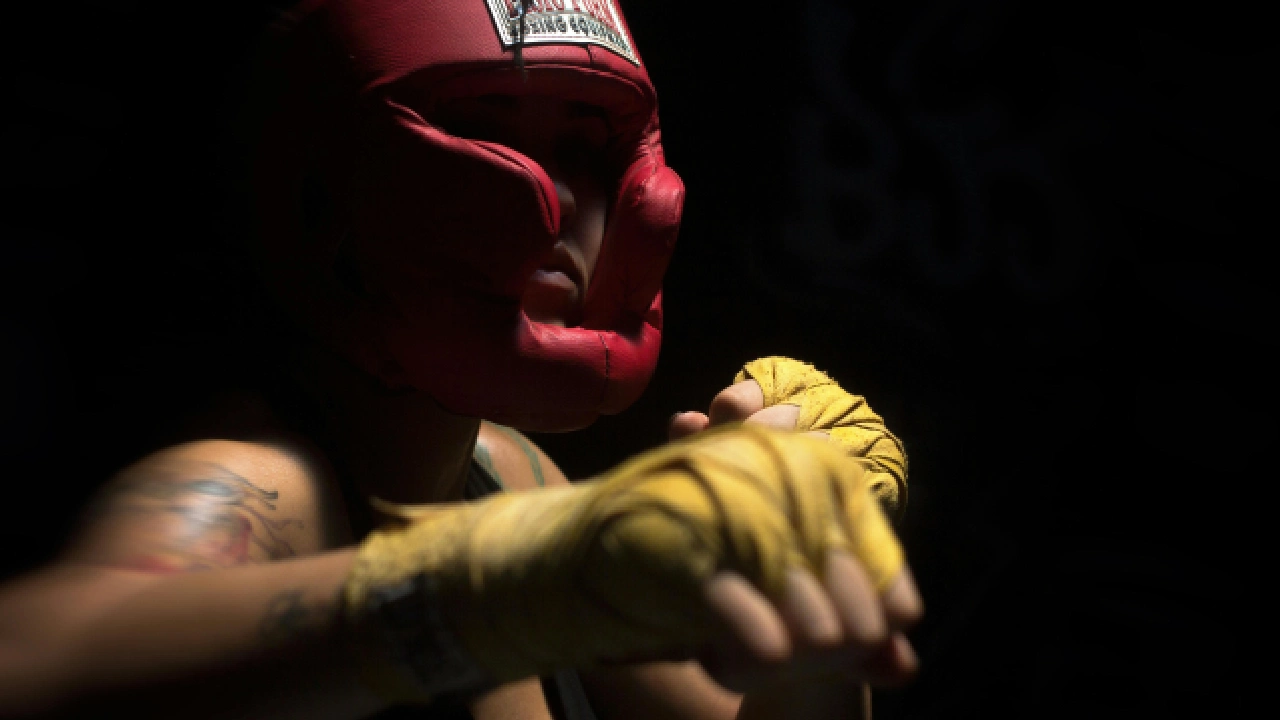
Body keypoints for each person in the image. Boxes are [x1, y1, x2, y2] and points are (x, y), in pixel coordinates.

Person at [0, 2, 920, 719]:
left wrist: (815, 601)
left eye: (583, 149)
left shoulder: (502, 465)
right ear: (331, 188)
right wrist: (496, 587)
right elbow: (33, 661)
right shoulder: (254, 482)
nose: (558, 194)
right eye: (492, 131)